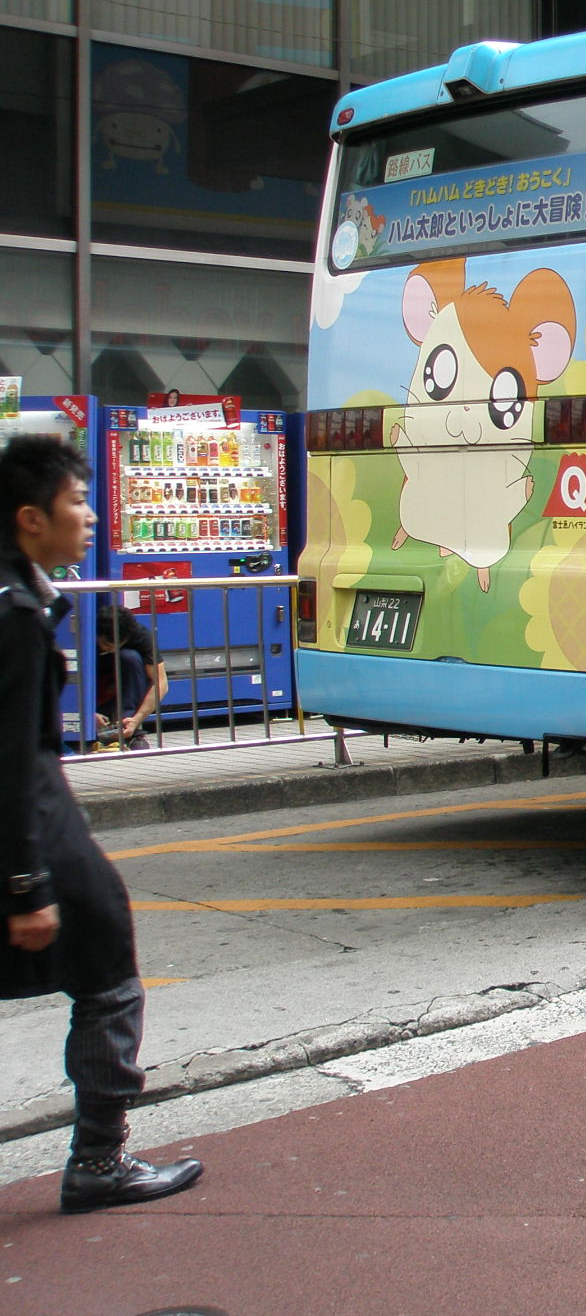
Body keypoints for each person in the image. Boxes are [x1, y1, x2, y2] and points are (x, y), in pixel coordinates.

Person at [0, 435, 202, 1213]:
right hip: (36, 826)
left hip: (32, 822)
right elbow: (15, 753)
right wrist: (27, 884)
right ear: (29, 517)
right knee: (111, 964)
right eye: (75, 502)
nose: (88, 514)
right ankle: (99, 1159)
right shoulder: (15, 613)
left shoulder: (23, 594)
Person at [95, 601, 167, 750]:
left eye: (116, 645)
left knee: (131, 657)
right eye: (106, 645)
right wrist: (86, 712)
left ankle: (125, 728)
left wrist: (136, 719)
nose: (111, 649)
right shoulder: (84, 635)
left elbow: (161, 683)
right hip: (93, 693)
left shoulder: (139, 635)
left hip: (118, 693)